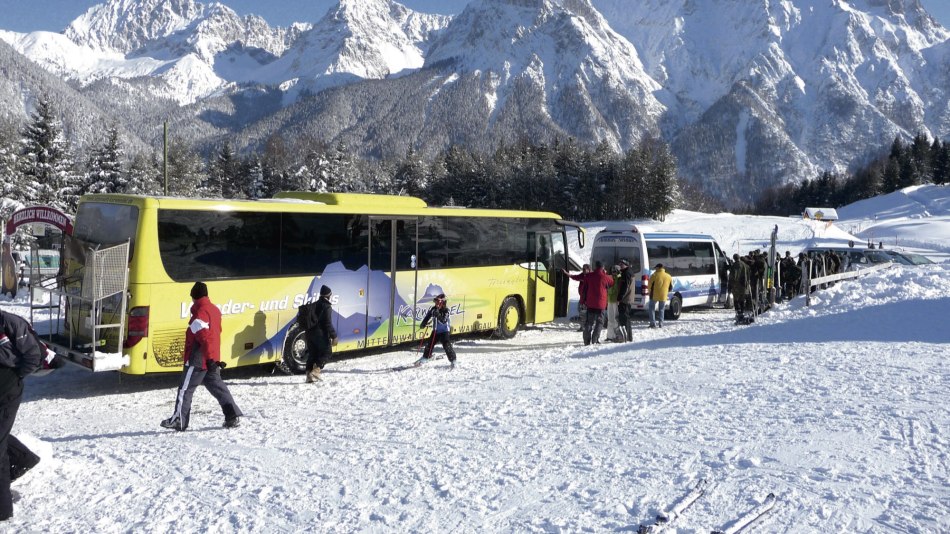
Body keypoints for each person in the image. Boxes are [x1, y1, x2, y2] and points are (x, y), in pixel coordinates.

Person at [161, 282, 243, 431]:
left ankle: (179, 419)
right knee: (218, 388)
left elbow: (205, 338)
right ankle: (232, 416)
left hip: (199, 359)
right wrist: (213, 359)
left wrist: (209, 358)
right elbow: (214, 335)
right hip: (212, 358)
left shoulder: (200, 313)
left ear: (194, 297)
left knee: (185, 389)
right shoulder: (214, 310)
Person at [0, 310, 42, 521]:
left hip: (8, 391)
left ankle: (3, 510)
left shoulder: (10, 323)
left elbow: (33, 356)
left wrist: (13, 378)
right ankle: (25, 458)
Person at [300, 285, 338, 383]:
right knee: (327, 352)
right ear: (328, 296)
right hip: (319, 333)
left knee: (313, 354)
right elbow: (328, 323)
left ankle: (308, 376)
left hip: (309, 333)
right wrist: (334, 336)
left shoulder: (315, 304)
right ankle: (316, 370)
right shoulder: (327, 307)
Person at [416, 293, 457, 368]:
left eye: (438, 302)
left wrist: (438, 314)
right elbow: (428, 316)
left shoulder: (446, 310)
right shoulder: (433, 309)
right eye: (436, 302)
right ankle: (426, 357)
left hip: (445, 331)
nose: (436, 304)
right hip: (436, 331)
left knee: (446, 345)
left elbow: (444, 321)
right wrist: (423, 323)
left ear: (443, 302)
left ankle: (453, 361)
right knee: (430, 344)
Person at [579, 261, 614, 345]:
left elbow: (584, 290)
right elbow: (612, 283)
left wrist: (582, 301)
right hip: (601, 305)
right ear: (603, 268)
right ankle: (595, 339)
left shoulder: (588, 276)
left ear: (595, 267)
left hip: (590, 304)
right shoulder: (605, 277)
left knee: (589, 322)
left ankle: (586, 341)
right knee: (600, 322)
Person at [564, 264, 591, 331]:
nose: (583, 270)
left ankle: (585, 327)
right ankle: (584, 326)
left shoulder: (591, 276)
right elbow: (575, 277)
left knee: (584, 312)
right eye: (583, 269)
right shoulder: (582, 275)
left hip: (587, 298)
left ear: (588, 269)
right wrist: (567, 274)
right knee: (580, 310)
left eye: (585, 269)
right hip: (582, 297)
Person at [647, 263, 672, 328]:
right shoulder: (668, 276)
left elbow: (649, 285)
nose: (655, 269)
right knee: (661, 309)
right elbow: (671, 287)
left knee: (651, 308)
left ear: (658, 268)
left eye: (656, 268)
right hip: (664, 295)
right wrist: (666, 292)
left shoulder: (654, 275)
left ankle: (652, 323)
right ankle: (661, 323)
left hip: (654, 295)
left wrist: (649, 292)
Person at [616, 259, 636, 342]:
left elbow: (625, 288)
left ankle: (628, 337)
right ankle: (627, 337)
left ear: (626, 265)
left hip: (625, 300)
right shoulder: (627, 272)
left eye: (622, 264)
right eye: (620, 263)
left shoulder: (626, 273)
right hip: (627, 299)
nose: (620, 265)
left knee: (625, 318)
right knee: (624, 318)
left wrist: (619, 298)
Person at [729, 253, 751, 322]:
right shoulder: (745, 265)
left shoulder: (734, 266)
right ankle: (742, 311)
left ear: (734, 258)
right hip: (744, 285)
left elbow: (732, 277)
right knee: (742, 299)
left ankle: (738, 313)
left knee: (736, 300)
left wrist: (730, 286)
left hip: (736, 286)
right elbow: (748, 274)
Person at [604, 265, 622, 342]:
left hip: (615, 301)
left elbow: (615, 289)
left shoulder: (619, 278)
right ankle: (609, 336)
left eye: (615, 271)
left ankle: (616, 335)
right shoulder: (610, 278)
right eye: (612, 271)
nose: (613, 272)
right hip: (610, 300)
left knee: (615, 319)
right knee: (610, 319)